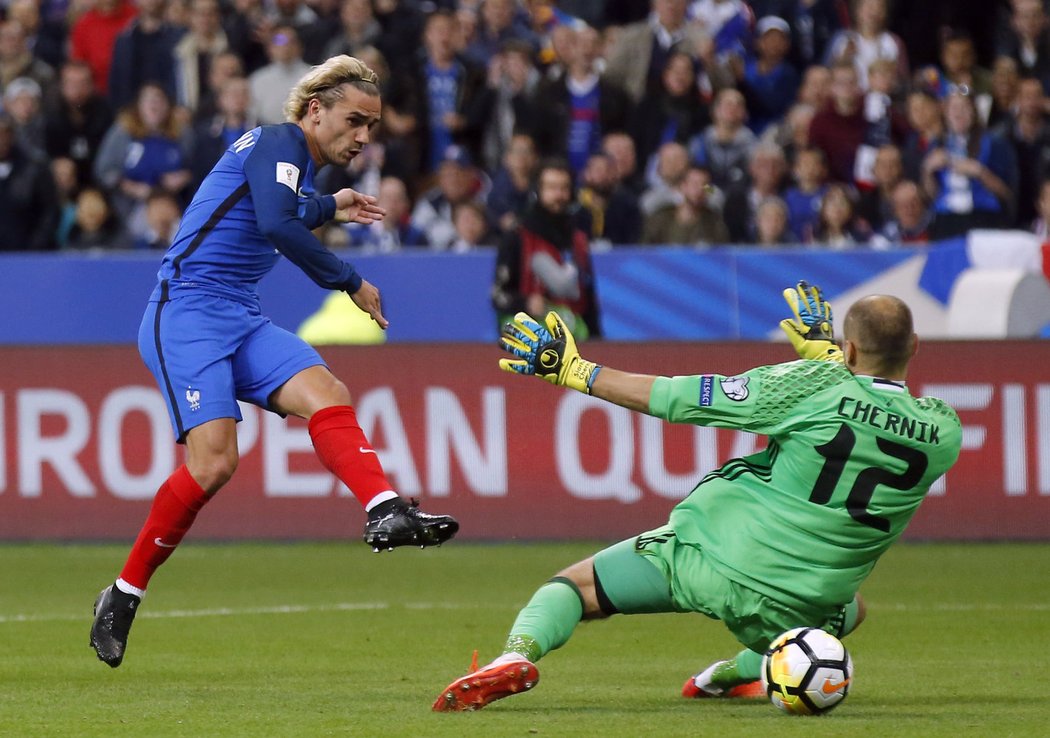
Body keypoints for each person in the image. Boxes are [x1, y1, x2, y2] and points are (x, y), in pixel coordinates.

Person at [89, 55, 459, 669]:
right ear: (316, 110)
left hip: (239, 313)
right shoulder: (277, 140)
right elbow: (277, 225)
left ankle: (385, 509)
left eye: (372, 126)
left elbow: (283, 209)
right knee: (214, 464)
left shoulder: (291, 162)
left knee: (326, 390)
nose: (363, 137)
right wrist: (349, 279)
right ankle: (123, 593)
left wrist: (330, 203)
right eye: (354, 120)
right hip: (185, 312)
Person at [433, 282, 962, 711]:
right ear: (915, 347)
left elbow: (677, 398)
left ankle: (514, 656)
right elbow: (871, 407)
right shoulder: (943, 432)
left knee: (574, 589)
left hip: (709, 557)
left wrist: (577, 371)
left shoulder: (812, 386)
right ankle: (731, 674)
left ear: (849, 348)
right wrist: (829, 356)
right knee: (854, 610)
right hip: (806, 602)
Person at [491, 157, 600, 340]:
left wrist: (597, 339)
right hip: (530, 326)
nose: (559, 195)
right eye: (551, 188)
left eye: (564, 188)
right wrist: (526, 302)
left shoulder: (578, 239)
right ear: (538, 191)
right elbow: (498, 295)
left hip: (572, 329)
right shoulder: (518, 236)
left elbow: (588, 296)